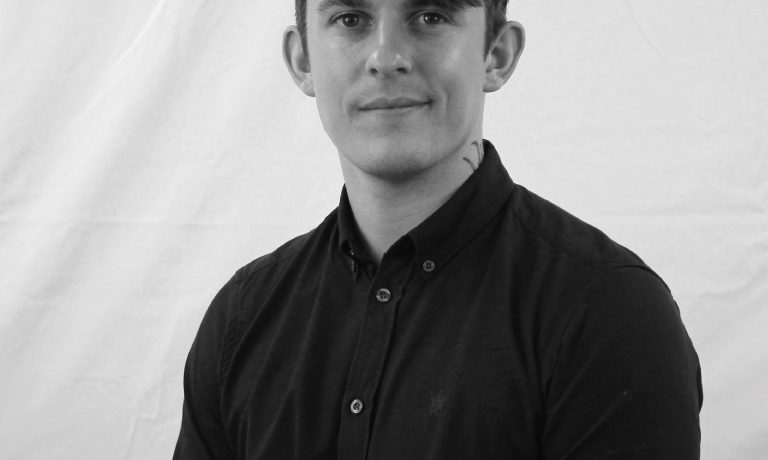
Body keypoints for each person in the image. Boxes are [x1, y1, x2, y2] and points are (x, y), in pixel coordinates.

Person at [173, 0, 703, 458]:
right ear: (302, 60)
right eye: (351, 19)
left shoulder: (609, 312)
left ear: (497, 55)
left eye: (430, 15)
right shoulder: (242, 317)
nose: (385, 58)